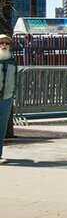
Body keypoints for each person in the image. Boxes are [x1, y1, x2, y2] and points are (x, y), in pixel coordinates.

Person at [0, 35, 16, 163]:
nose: (4, 45)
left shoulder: (12, 60)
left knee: (2, 127)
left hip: (7, 98)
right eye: (1, 43)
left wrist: (12, 95)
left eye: (6, 43)